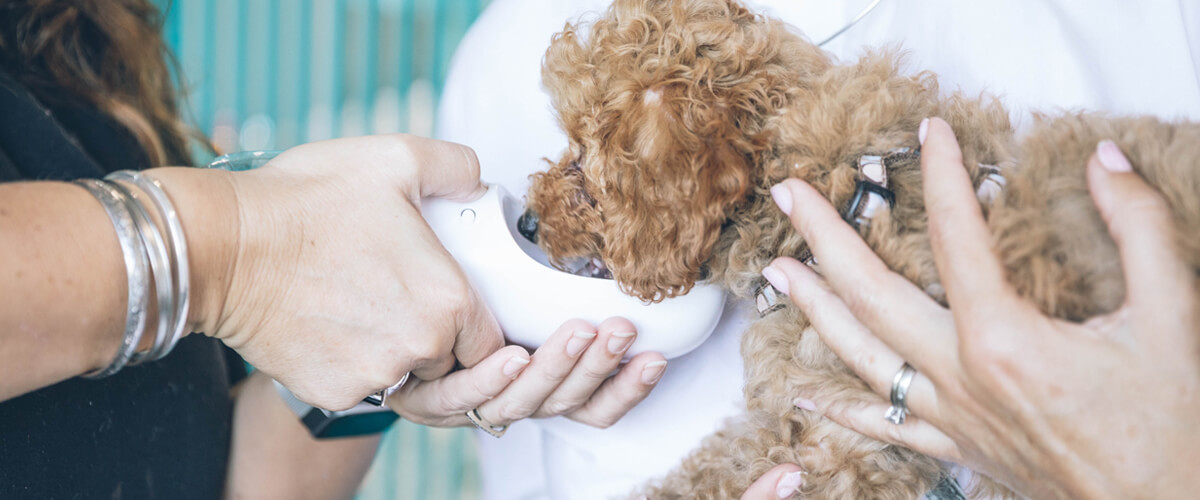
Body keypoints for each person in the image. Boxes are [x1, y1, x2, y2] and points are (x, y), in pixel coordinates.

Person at [437, 0, 1200, 498]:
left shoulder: (855, 251)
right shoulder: (493, 54)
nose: (549, 201)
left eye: (584, 176)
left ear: (685, 186)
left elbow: (838, 458)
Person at [0, 1, 662, 498]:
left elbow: (231, 478)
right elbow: (233, 264)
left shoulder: (75, 46)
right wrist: (234, 251)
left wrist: (390, 329)